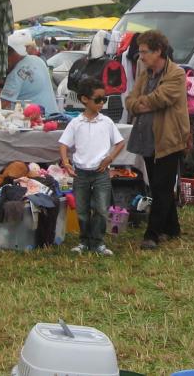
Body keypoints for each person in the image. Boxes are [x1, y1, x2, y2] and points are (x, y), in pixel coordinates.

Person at [125, 30, 191, 251]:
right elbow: (130, 101)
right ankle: (172, 228)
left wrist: (141, 103)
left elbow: (160, 99)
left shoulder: (176, 74)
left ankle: (152, 234)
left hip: (168, 139)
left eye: (144, 52)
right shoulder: (145, 73)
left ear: (158, 51)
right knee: (157, 184)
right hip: (146, 138)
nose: (140, 56)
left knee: (162, 187)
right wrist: (140, 103)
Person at [58, 77, 126, 256]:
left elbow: (120, 143)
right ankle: (84, 241)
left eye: (104, 99)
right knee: (82, 210)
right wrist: (66, 163)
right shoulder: (76, 123)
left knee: (101, 210)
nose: (102, 103)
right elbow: (63, 144)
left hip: (101, 172)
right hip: (81, 172)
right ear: (84, 99)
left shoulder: (106, 122)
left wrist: (109, 158)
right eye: (98, 100)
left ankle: (98, 241)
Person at [1, 33, 60, 114]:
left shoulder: (15, 75)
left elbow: (2, 105)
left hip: (36, 120)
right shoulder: (38, 60)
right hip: (53, 114)